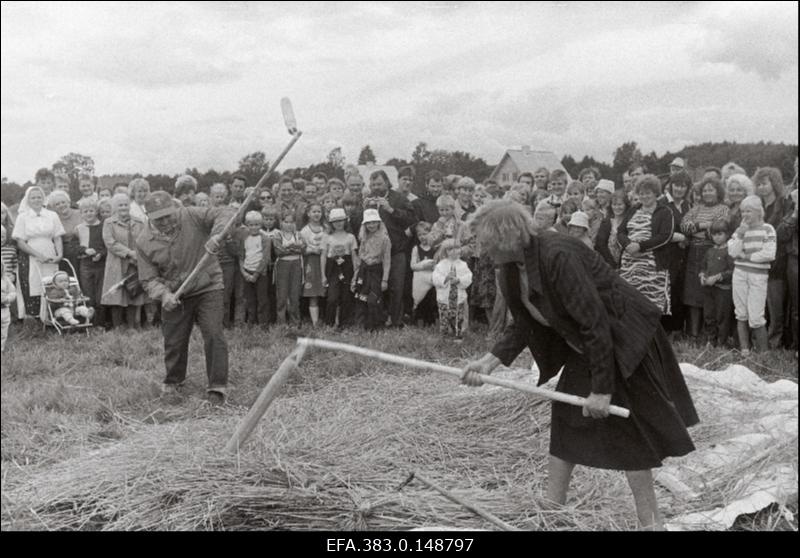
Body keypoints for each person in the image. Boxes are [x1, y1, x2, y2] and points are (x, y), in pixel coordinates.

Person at [460, 200, 698, 530]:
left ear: (506, 237)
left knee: (631, 432)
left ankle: (652, 523)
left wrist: (602, 389)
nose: (482, 251)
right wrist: (488, 363)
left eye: (486, 243)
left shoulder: (558, 254)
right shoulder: (510, 270)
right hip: (589, 342)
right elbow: (525, 324)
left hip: (624, 336)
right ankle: (551, 513)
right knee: (567, 419)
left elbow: (594, 322)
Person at [135, 191, 230, 404]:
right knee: (174, 340)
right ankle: (173, 381)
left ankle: (217, 386)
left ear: (175, 208)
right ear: (148, 216)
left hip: (208, 285)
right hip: (175, 294)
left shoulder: (192, 215)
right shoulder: (143, 241)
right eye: (159, 218)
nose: (166, 221)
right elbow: (148, 279)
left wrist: (217, 234)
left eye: (169, 215)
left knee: (214, 334)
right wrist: (164, 294)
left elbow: (224, 213)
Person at [363, 170, 416, 328]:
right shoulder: (369, 199)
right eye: (373, 185)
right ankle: (379, 320)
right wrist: (363, 208)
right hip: (375, 254)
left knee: (397, 287)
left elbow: (413, 220)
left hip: (396, 251)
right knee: (377, 288)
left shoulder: (399, 198)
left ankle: (396, 321)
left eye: (379, 184)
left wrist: (391, 210)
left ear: (387, 182)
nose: (376, 187)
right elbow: (361, 225)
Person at [680, 176, 729, 340]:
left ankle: (709, 334)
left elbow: (718, 230)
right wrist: (703, 225)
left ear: (718, 191)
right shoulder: (696, 208)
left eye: (711, 189)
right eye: (705, 190)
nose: (707, 193)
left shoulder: (723, 209)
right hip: (694, 252)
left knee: (709, 293)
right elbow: (684, 226)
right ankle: (693, 334)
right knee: (693, 293)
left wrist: (698, 228)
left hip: (713, 252)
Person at [619, 175, 675, 316]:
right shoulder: (633, 210)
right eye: (641, 193)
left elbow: (665, 236)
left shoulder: (665, 212)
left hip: (653, 264)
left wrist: (640, 246)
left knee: (652, 302)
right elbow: (621, 231)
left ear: (656, 193)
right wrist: (628, 245)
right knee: (631, 300)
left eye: (648, 193)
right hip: (630, 264)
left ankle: (653, 337)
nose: (644, 196)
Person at [727, 195, 776, 355]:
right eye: (742, 211)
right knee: (741, 313)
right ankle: (745, 350)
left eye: (749, 211)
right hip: (739, 273)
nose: (745, 215)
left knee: (756, 317)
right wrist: (740, 234)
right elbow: (733, 252)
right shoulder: (740, 230)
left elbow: (769, 254)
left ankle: (764, 353)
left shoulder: (768, 229)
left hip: (758, 276)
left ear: (758, 211)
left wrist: (747, 256)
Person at [753, 167, 793, 349]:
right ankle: (760, 342)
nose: (761, 187)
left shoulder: (784, 204)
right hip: (757, 262)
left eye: (765, 183)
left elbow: (783, 234)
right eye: (758, 184)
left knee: (775, 306)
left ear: (774, 183)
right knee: (759, 305)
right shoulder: (756, 205)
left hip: (777, 263)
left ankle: (774, 342)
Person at [11, 186, 65, 320]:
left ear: (43, 198)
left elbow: (57, 237)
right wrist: (37, 255)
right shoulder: (23, 217)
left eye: (39, 197)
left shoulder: (52, 215)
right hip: (31, 255)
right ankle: (34, 319)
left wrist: (59, 255)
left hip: (50, 252)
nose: (36, 200)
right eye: (33, 197)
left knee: (52, 283)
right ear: (28, 200)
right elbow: (20, 242)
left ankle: (52, 317)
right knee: (33, 284)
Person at [101, 194, 146, 329]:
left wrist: (136, 255)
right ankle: (118, 326)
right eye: (120, 205)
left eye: (126, 204)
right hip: (117, 263)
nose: (123, 207)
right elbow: (110, 243)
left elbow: (144, 241)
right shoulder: (109, 223)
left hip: (135, 263)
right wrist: (129, 253)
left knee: (134, 292)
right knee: (117, 294)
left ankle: (132, 326)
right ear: (115, 207)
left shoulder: (139, 222)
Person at [351, 209, 390, 331]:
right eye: (368, 223)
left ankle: (377, 325)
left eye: (374, 222)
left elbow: (387, 260)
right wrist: (354, 278)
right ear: (364, 225)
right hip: (364, 270)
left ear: (379, 223)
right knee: (362, 298)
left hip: (376, 271)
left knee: (374, 299)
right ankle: (363, 325)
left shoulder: (385, 239)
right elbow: (360, 259)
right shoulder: (363, 238)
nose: (371, 225)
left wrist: (385, 280)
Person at [699, 219, 734, 347]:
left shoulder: (730, 251)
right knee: (709, 315)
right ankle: (711, 339)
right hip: (709, 289)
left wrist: (718, 277)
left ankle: (722, 341)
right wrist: (702, 275)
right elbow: (703, 266)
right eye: (714, 234)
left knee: (722, 316)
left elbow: (732, 270)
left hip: (723, 290)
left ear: (727, 234)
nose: (717, 237)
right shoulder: (710, 251)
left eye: (720, 234)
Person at [322, 208, 358, 328]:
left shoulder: (351, 237)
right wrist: (323, 275)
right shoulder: (327, 237)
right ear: (331, 223)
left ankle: (344, 323)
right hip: (332, 267)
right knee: (332, 297)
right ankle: (329, 322)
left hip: (347, 267)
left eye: (341, 220)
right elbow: (323, 256)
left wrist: (355, 273)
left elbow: (354, 256)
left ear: (345, 221)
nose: (338, 223)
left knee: (346, 297)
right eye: (335, 221)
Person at [431, 238, 472, 340]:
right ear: (446, 252)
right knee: (444, 316)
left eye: (457, 248)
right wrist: (445, 278)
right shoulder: (441, 265)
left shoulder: (463, 265)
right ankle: (445, 335)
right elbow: (435, 278)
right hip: (444, 297)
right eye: (451, 249)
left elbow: (469, 277)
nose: (455, 251)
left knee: (459, 316)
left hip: (458, 297)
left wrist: (459, 280)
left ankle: (458, 335)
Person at [237, 211, 272, 326]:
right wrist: (244, 272)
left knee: (262, 299)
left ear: (261, 224)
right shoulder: (244, 238)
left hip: (260, 273)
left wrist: (256, 274)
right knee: (249, 298)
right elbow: (241, 256)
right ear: (247, 225)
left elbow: (265, 258)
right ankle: (251, 321)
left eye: (257, 224)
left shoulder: (265, 239)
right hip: (247, 271)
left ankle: (263, 323)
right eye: (251, 225)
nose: (254, 227)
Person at [75, 198, 107, 326]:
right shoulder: (78, 228)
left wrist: (100, 254)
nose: (89, 213)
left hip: (100, 265)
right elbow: (73, 247)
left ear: (96, 212)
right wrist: (84, 250)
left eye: (91, 210)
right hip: (85, 265)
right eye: (85, 211)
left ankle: (101, 322)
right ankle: (90, 322)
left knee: (101, 294)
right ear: (81, 213)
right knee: (88, 293)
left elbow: (107, 246)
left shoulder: (103, 226)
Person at [272, 212, 304, 326]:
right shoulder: (278, 235)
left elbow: (302, 250)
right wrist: (294, 247)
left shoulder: (298, 234)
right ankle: (281, 322)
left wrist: (288, 248)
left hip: (296, 264)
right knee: (282, 294)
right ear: (281, 222)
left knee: (295, 294)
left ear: (295, 223)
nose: (289, 225)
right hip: (282, 265)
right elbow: (278, 252)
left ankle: (295, 321)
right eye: (286, 222)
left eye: (291, 222)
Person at [776, 190, 798, 353]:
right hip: (795, 259)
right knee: (796, 306)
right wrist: (796, 212)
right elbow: (781, 234)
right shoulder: (791, 207)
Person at [300, 203, 327, 326]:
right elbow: (302, 249)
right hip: (311, 262)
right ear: (308, 213)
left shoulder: (326, 228)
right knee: (313, 292)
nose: (317, 214)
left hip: (325, 261)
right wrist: (311, 250)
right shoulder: (305, 230)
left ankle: (329, 318)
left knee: (327, 290)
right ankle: (315, 322)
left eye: (319, 211)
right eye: (314, 211)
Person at [47, 190, 82, 276]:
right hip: (65, 252)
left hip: (82, 249)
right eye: (57, 204)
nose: (61, 205)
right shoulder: (53, 219)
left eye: (63, 202)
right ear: (53, 207)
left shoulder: (80, 213)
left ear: (69, 202)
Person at [410, 221, 437, 326]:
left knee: (431, 299)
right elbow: (413, 266)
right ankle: (419, 321)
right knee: (420, 299)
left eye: (425, 234)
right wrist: (423, 266)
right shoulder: (416, 249)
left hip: (432, 279)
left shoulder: (434, 249)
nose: (422, 237)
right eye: (419, 235)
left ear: (430, 234)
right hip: (420, 279)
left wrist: (433, 267)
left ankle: (431, 321)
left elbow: (438, 264)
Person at [595, 190, 630, 270]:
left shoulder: (630, 222)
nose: (617, 207)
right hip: (608, 264)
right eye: (614, 204)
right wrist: (612, 264)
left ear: (626, 205)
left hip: (626, 264)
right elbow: (600, 244)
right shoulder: (606, 222)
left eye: (620, 204)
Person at [1, 260, 15, 352]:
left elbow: (12, 291)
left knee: (3, 329)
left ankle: (1, 348)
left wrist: (8, 298)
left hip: (4, 308)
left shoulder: (5, 280)